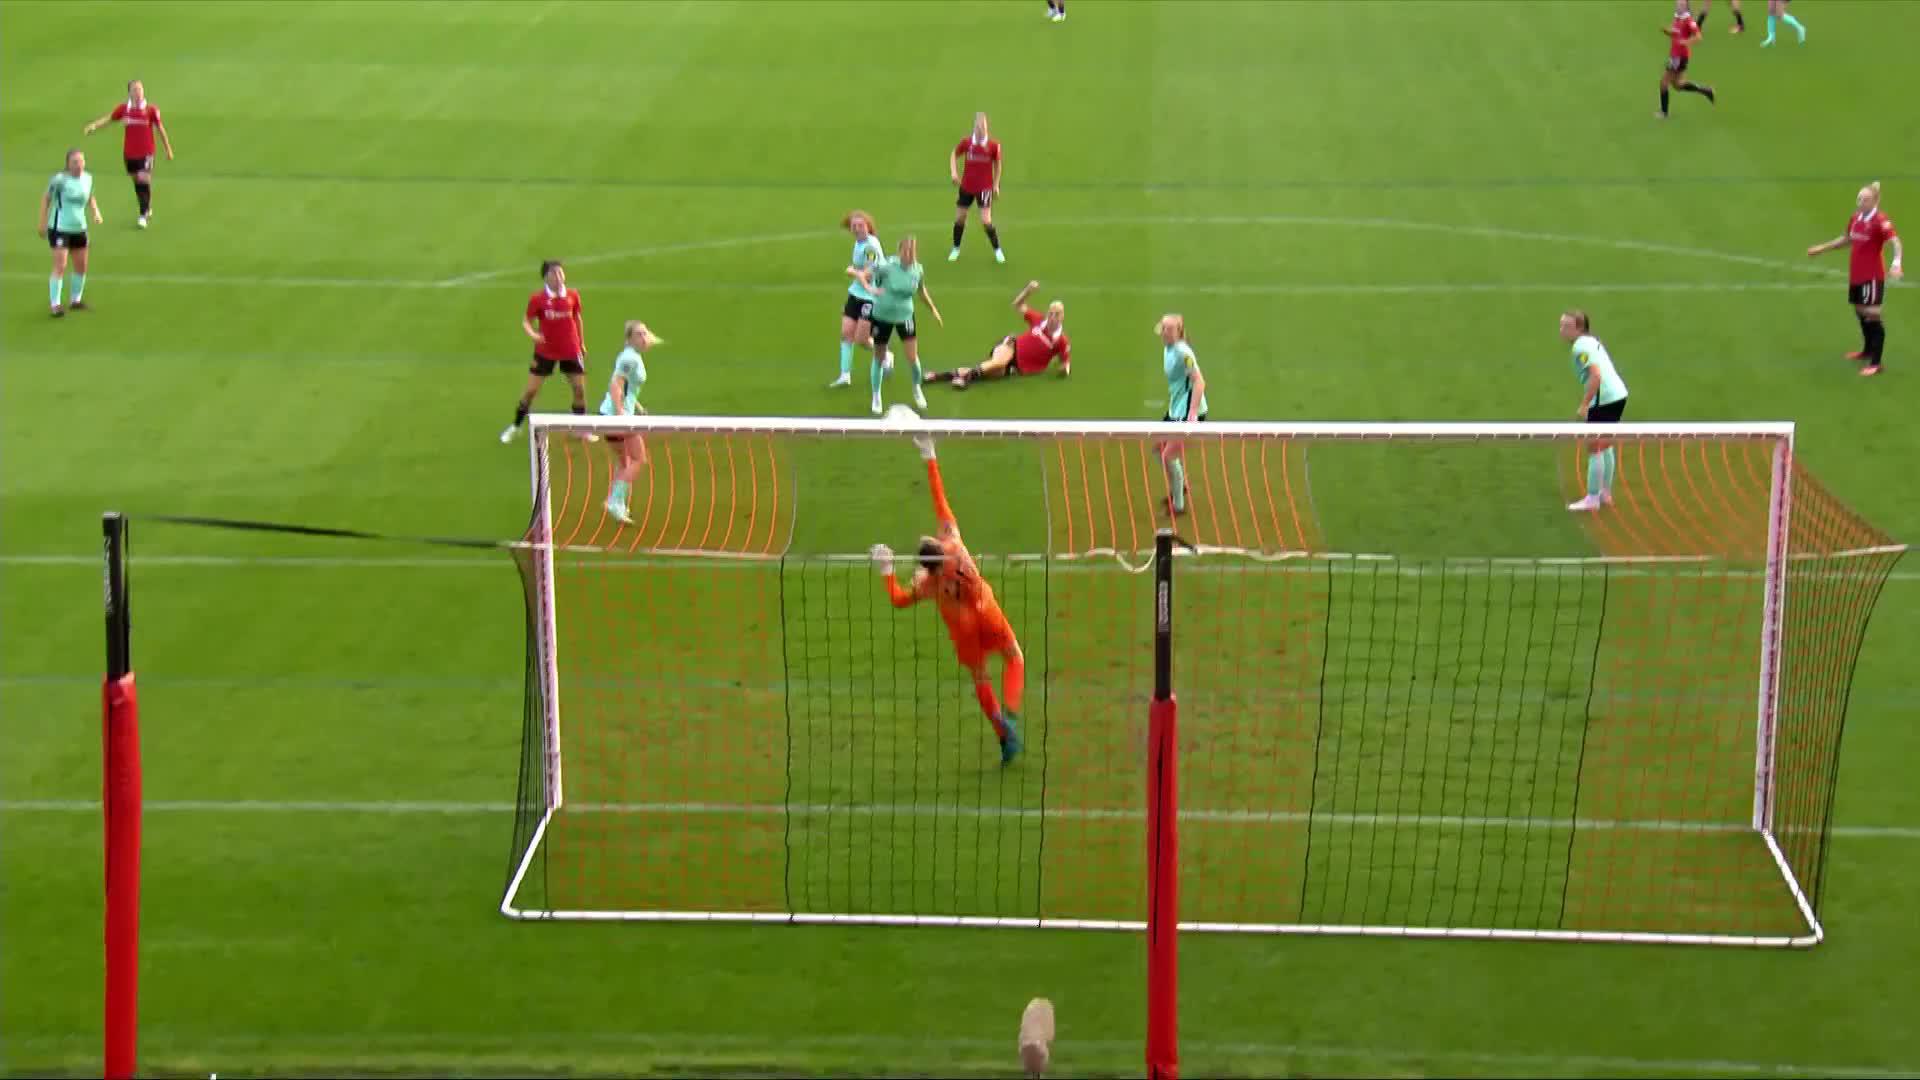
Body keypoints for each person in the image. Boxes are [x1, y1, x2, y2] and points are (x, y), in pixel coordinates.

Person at [870, 431, 1024, 765]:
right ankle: (1011, 712)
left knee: (981, 679)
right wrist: (930, 456)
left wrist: (886, 570)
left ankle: (1004, 736)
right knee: (1015, 657)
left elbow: (898, 599)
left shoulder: (926, 584)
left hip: (963, 629)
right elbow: (941, 503)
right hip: (985, 608)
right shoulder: (955, 544)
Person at [1807, 182, 1902, 376]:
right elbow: (1847, 239)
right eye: (1859, 198)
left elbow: (1895, 242)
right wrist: (1821, 248)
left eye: (1865, 199)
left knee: (1873, 314)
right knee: (1860, 310)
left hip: (1873, 277)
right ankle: (1867, 350)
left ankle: (1876, 363)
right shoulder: (1856, 218)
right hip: (1857, 275)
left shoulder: (1880, 220)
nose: (1860, 202)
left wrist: (1896, 263)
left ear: (1875, 201)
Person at [500, 260, 591, 443]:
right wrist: (533, 334)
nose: (558, 277)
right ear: (545, 277)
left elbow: (577, 317)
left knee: (579, 389)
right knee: (531, 391)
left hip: (570, 349)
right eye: (554, 274)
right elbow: (526, 321)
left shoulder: (572, 295)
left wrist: (581, 342)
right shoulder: (538, 299)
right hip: (545, 351)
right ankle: (515, 426)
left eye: (560, 273)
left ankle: (580, 429)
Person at [924, 281, 1070, 389]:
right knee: (998, 363)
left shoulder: (1061, 340)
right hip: (1011, 346)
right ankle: (965, 380)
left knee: (986, 373)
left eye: (1056, 314)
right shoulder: (1039, 320)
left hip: (1017, 367)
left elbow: (1065, 363)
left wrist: (1063, 370)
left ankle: (936, 376)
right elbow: (1018, 305)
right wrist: (1028, 291)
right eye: (1050, 313)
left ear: (1062, 316)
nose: (1052, 317)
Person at [859, 235, 943, 415]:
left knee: (912, 357)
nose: (909, 255)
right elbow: (865, 275)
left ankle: (917, 389)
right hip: (882, 315)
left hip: (905, 316)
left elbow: (921, 291)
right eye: (906, 251)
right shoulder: (887, 267)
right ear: (899, 252)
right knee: (879, 357)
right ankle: (876, 395)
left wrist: (933, 309)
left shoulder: (917, 270)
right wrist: (870, 289)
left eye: (912, 251)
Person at [1560, 310, 1630, 512]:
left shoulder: (1580, 347)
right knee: (1605, 446)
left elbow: (1596, 376)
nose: (1562, 330)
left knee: (1594, 448)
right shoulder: (1590, 341)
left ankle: (1592, 498)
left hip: (1604, 399)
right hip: (1618, 394)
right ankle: (1605, 493)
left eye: (1566, 326)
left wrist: (1584, 404)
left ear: (1579, 328)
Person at [82, 79, 173, 229]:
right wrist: (94, 126)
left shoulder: (151, 110)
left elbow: (160, 129)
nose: (138, 92)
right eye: (135, 90)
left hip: (147, 152)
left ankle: (143, 214)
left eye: (140, 89)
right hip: (130, 153)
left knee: (143, 179)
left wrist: (168, 149)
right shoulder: (124, 109)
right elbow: (109, 119)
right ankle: (146, 206)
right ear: (129, 92)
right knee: (137, 180)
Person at [602, 321, 663, 524]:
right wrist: (621, 415)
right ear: (629, 339)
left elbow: (629, 387)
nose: (644, 337)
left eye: (645, 333)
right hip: (617, 418)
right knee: (639, 460)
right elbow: (616, 385)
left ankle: (617, 503)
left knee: (625, 462)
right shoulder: (630, 359)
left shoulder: (631, 356)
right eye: (639, 334)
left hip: (609, 415)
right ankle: (614, 501)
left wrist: (637, 407)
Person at [38, 150, 103, 317]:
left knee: (81, 266)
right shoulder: (60, 180)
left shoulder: (87, 178)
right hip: (60, 228)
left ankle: (75, 300)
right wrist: (42, 222)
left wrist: (96, 212)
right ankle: (55, 304)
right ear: (68, 164)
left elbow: (90, 197)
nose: (79, 165)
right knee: (61, 265)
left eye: (81, 161)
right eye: (75, 162)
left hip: (79, 228)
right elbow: (46, 198)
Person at [1155, 315, 1209, 517]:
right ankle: (1181, 484)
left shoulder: (1183, 352)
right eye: (1164, 328)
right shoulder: (1168, 348)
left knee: (1168, 456)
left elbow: (1199, 382)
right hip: (1175, 409)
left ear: (1179, 332)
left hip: (1188, 413)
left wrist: (1193, 413)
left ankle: (1178, 505)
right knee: (1158, 449)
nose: (1165, 332)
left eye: (1170, 329)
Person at [830, 211, 885, 389]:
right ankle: (845, 375)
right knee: (846, 334)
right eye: (853, 226)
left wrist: (852, 272)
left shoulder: (870, 247)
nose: (856, 229)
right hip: (855, 293)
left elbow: (868, 276)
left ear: (868, 226)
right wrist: (855, 272)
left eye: (860, 225)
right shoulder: (859, 243)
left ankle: (886, 355)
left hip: (870, 296)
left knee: (861, 339)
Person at [948, 112, 1004, 263]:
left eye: (983, 128)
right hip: (967, 186)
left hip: (985, 189)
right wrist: (954, 172)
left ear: (986, 128)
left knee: (986, 221)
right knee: (960, 218)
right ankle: (956, 248)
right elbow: (954, 154)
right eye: (978, 128)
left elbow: (998, 164)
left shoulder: (993, 146)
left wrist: (996, 184)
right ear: (974, 128)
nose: (980, 131)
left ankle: (997, 249)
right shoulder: (967, 143)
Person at [1659, 4, 1716, 119]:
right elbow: (1676, 33)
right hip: (1676, 55)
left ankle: (1664, 113)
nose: (1678, 5)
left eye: (1681, 4)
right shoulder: (1677, 18)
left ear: (1686, 7)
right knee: (1678, 85)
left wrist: (1686, 42)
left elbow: (1698, 37)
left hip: (1679, 57)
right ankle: (1706, 90)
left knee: (1664, 83)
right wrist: (1667, 32)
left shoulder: (1689, 21)